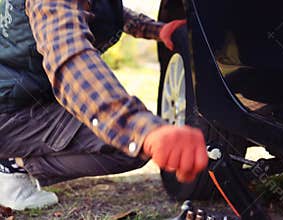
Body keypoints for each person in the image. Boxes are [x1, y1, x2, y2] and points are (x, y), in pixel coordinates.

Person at [0, 0, 208, 211]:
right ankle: (11, 165)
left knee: (127, 139)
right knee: (128, 144)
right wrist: (141, 128)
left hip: (22, 99)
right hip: (8, 111)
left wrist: (158, 30)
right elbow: (70, 59)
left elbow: (108, 13)